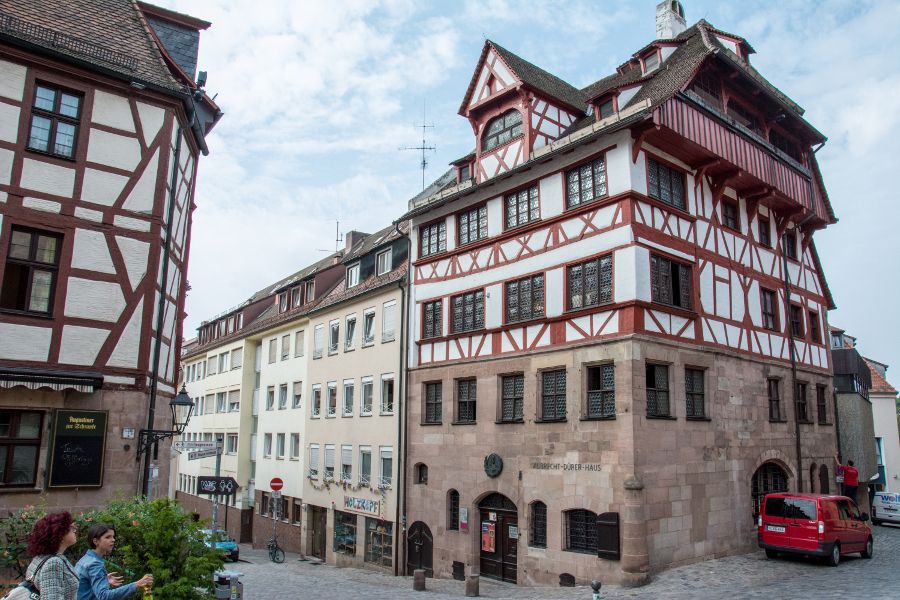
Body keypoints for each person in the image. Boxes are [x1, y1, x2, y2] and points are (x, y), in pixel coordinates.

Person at [75, 523, 152, 600]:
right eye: (108, 537)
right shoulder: (95, 564)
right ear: (95, 541)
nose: (113, 540)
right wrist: (137, 584)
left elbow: (84, 587)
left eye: (113, 536)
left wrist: (104, 580)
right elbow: (104, 596)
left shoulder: (85, 559)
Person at [21, 512, 80, 600]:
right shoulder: (53, 562)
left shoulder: (41, 557)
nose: (74, 530)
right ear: (60, 534)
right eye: (71, 528)